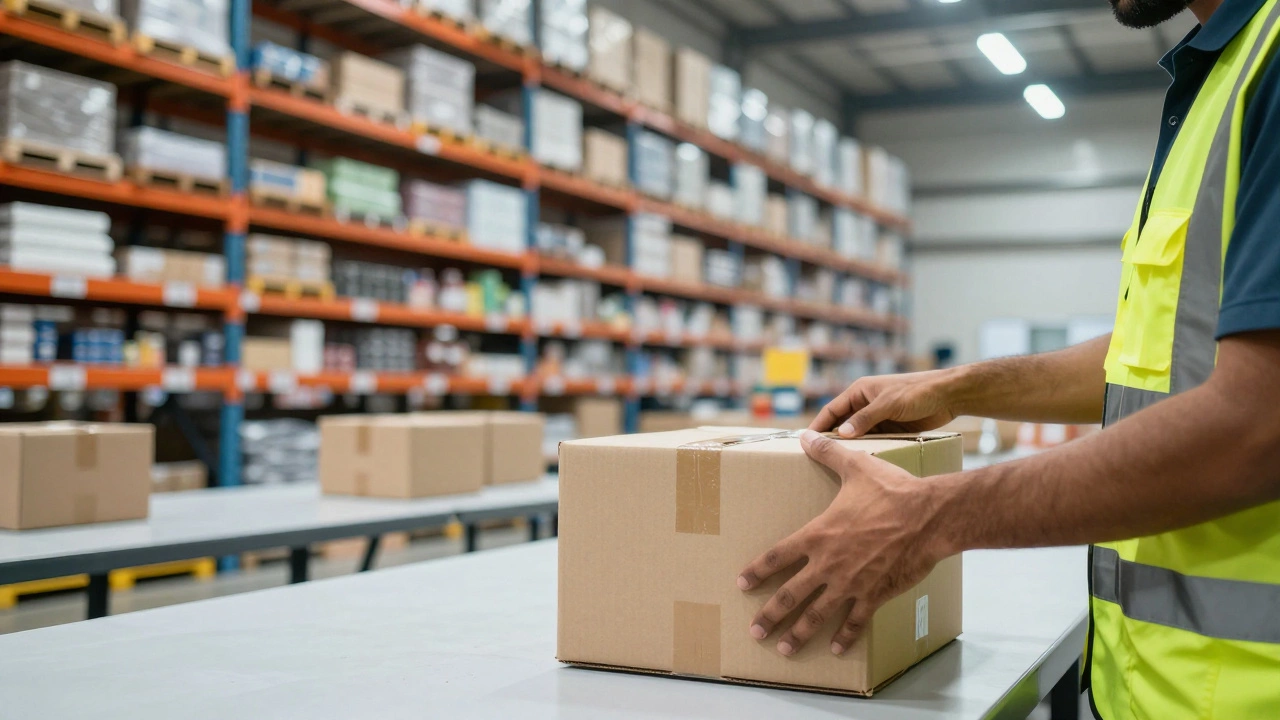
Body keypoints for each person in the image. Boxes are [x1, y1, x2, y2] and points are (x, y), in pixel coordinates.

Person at [736, 0, 1280, 716]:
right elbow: (1157, 358)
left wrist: (930, 518)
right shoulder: (1217, 76)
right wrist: (958, 386)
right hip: (1158, 692)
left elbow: (1258, 423)